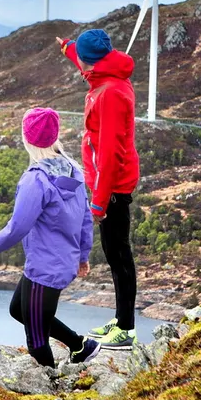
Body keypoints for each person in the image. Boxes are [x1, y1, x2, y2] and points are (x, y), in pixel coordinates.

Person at [0, 107, 99, 367]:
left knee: (37, 340)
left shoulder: (36, 180)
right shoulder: (73, 170)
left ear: (27, 139)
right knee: (19, 310)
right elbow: (86, 217)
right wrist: (82, 256)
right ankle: (80, 346)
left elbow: (17, 228)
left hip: (46, 270)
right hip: (55, 263)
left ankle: (51, 394)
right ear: (55, 136)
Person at [53, 29, 140, 349]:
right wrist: (67, 47)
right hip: (106, 183)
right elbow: (82, 58)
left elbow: (110, 155)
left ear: (95, 64)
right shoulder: (103, 69)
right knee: (114, 254)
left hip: (114, 185)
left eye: (84, 64)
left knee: (119, 256)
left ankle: (127, 330)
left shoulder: (112, 94)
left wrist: (99, 205)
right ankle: (120, 321)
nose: (82, 69)